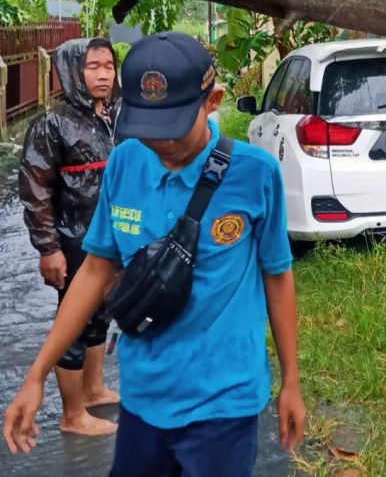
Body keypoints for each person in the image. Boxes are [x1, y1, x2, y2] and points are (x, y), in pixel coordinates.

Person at [4, 32, 306, 476]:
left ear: (213, 100)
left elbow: (277, 276)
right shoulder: (125, 162)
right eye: (147, 127)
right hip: (144, 400)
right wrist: (35, 375)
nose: (160, 143)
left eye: (172, 127)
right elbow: (94, 272)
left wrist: (291, 382)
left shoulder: (256, 174)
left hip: (224, 403)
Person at [18, 37, 121, 436]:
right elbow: (35, 188)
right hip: (72, 239)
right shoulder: (52, 123)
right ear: (74, 72)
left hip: (106, 235)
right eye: (93, 66)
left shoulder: (111, 117)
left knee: (99, 314)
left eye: (108, 66)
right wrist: (49, 249)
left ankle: (92, 390)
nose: (103, 74)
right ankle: (72, 415)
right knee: (74, 320)